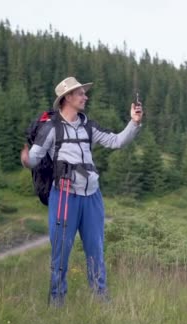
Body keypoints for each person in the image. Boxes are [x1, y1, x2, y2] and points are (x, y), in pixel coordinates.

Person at [20, 76, 143, 306]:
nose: (85, 97)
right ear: (67, 98)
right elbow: (35, 158)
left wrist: (134, 123)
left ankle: (100, 300)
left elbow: (116, 141)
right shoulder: (51, 128)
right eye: (80, 94)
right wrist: (26, 160)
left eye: (84, 93)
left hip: (92, 197)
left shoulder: (88, 125)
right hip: (64, 195)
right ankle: (57, 303)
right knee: (61, 251)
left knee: (95, 250)